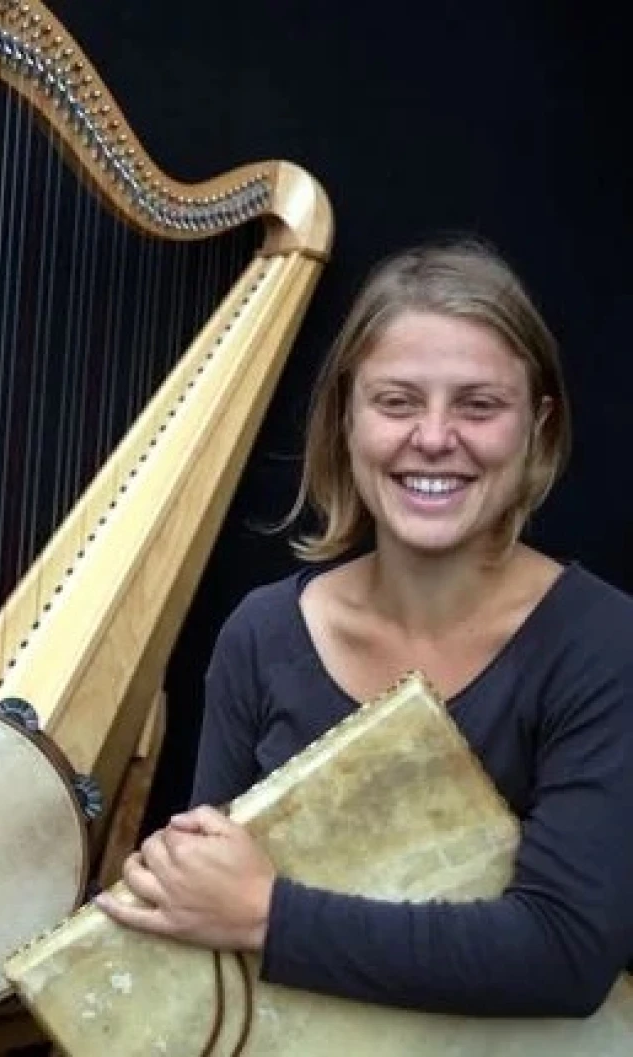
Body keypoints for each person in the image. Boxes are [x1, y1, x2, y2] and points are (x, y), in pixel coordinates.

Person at [94, 238, 633, 1018]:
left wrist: (266, 913)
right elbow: (200, 922)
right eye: (396, 401)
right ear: (345, 417)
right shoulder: (262, 633)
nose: (434, 436)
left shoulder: (602, 641)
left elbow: (565, 953)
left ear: (537, 428)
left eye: (478, 405)